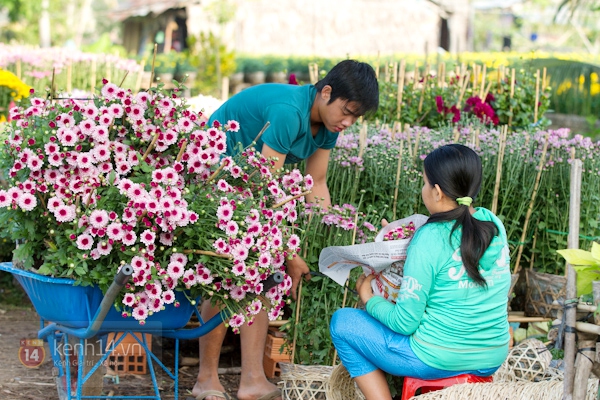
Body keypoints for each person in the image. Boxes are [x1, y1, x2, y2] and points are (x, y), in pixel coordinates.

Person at [191, 60, 379, 400]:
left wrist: (329, 243)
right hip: (213, 174)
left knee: (261, 276)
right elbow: (265, 188)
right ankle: (206, 379)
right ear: (326, 92)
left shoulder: (329, 127)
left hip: (248, 185)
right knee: (224, 277)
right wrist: (290, 254)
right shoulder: (288, 112)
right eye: (347, 111)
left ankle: (251, 382)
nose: (348, 122)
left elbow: (316, 183)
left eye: (356, 117)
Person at [330, 144, 511, 400]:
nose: (423, 189)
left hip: (436, 357)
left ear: (437, 192)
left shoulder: (429, 238)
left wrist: (369, 299)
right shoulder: (493, 223)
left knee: (343, 323)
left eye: (425, 183)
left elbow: (404, 323)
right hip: (492, 355)